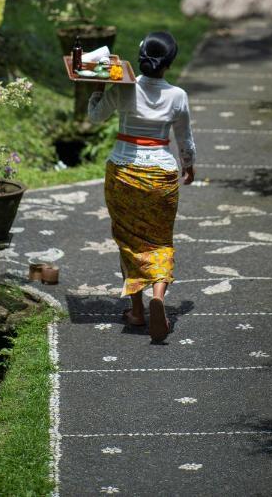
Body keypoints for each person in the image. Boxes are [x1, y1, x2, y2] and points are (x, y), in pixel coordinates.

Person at [88, 31, 196, 341]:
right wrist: (188, 164)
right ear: (169, 64)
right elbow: (184, 139)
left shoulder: (124, 88)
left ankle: (137, 311)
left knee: (129, 240)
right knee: (160, 239)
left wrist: (97, 88)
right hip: (160, 175)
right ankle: (158, 294)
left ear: (139, 59)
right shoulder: (178, 96)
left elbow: (95, 116)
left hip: (123, 172)